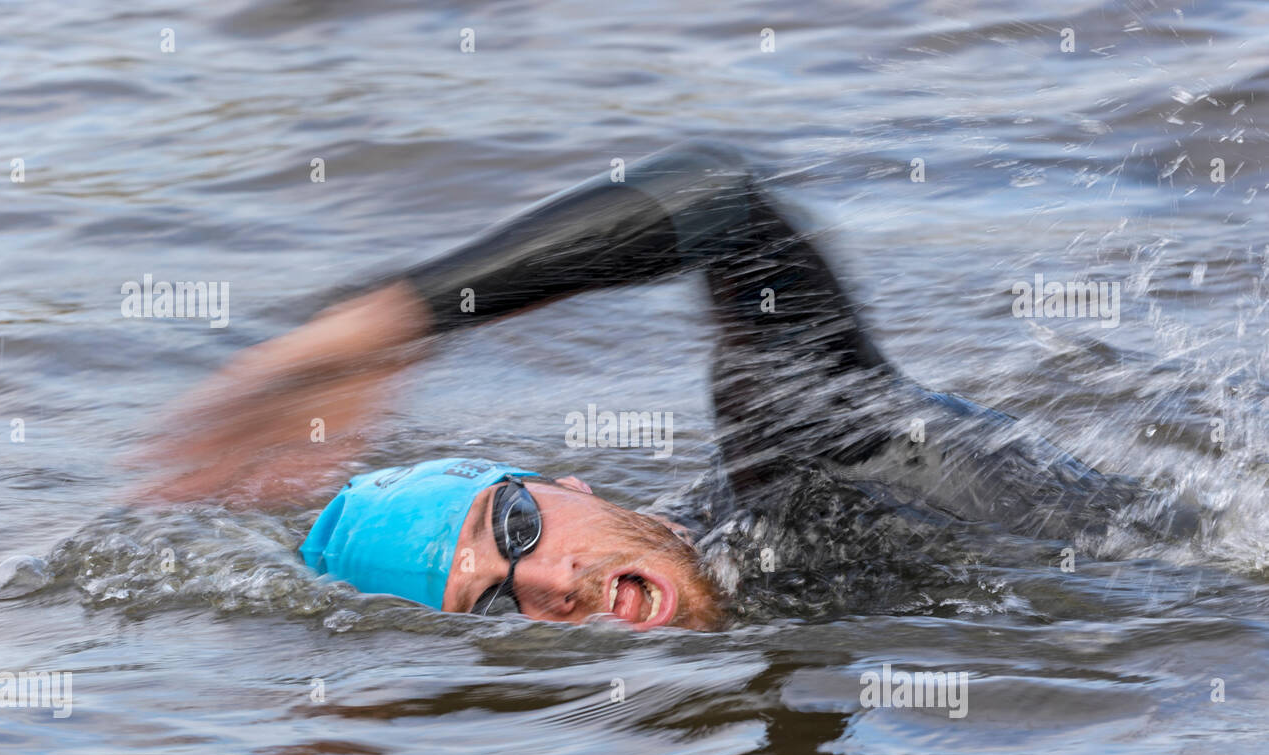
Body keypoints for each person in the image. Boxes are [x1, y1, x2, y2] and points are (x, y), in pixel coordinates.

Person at [143, 142, 1161, 631]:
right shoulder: (743, 609)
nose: (544, 581)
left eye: (512, 526)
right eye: (492, 604)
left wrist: (390, 324)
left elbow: (721, 204)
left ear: (568, 485)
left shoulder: (801, 464)